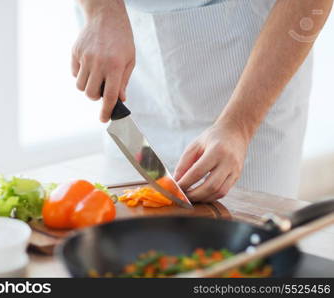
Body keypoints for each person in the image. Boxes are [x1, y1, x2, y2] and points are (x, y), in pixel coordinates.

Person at [72, 0, 333, 202]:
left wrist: (239, 125)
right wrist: (101, 10)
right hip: (133, 70)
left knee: (250, 253)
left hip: (255, 76)